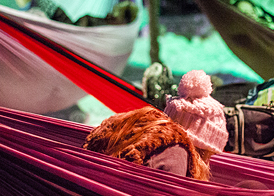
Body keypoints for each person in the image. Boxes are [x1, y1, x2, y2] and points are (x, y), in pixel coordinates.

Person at [83, 70, 228, 181]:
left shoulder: (140, 129)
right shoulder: (176, 156)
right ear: (202, 147)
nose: (209, 161)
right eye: (210, 154)